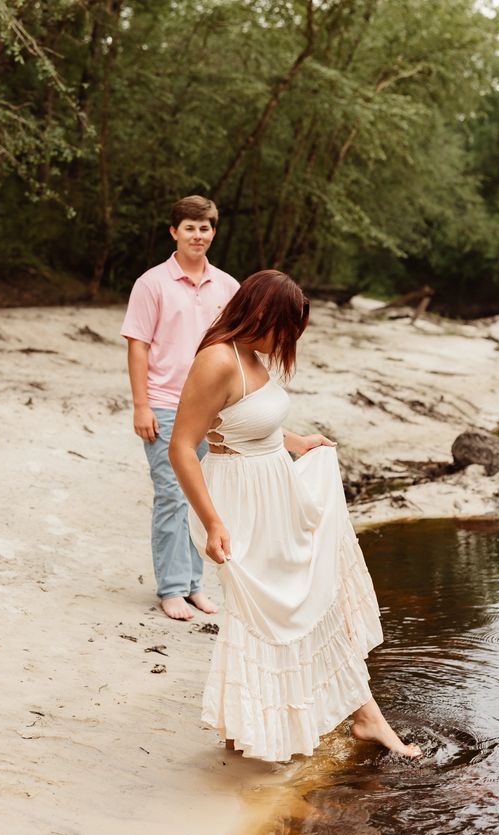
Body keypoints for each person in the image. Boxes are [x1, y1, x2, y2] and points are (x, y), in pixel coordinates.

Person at [168, 270, 422, 762]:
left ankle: (351, 717)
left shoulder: (250, 356)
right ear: (258, 314)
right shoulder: (217, 360)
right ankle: (353, 718)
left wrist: (299, 442)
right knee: (270, 610)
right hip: (239, 501)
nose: (285, 341)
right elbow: (182, 446)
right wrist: (214, 522)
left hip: (275, 487)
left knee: (305, 602)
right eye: (282, 329)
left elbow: (252, 425)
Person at [121, 196, 239, 621]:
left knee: (200, 497)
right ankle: (171, 589)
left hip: (212, 410)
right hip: (166, 405)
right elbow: (138, 345)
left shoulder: (227, 286)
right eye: (189, 227)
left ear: (213, 232)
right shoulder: (151, 283)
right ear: (174, 232)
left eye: (205, 228)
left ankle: (193, 586)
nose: (198, 235)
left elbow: (236, 347)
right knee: (172, 497)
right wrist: (141, 406)